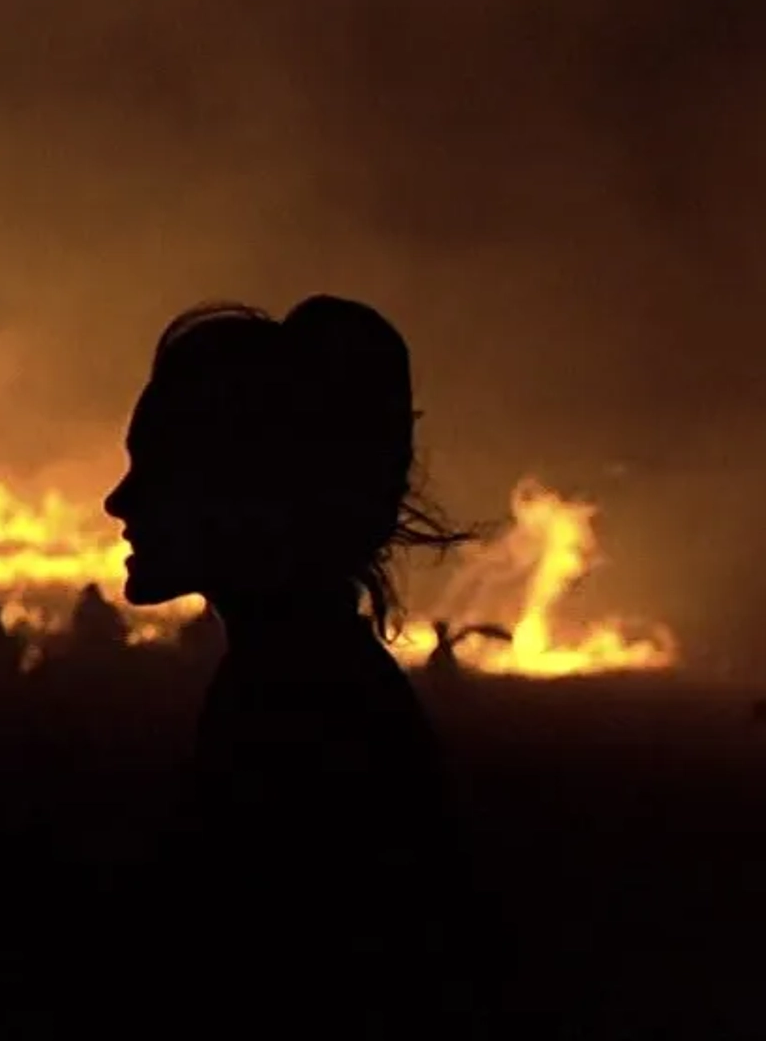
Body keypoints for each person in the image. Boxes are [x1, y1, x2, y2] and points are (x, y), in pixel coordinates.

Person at [99, 295, 500, 1036]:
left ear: (247, 491)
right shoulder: (310, 679)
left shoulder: (297, 704)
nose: (118, 500)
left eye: (157, 469)